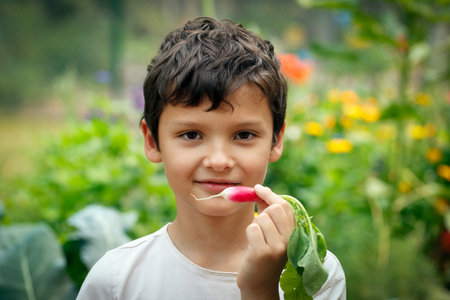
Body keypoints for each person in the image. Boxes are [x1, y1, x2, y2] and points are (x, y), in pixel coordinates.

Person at [77, 17, 346, 300]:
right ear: (152, 141)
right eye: (192, 135)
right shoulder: (115, 281)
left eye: (243, 135)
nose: (219, 161)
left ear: (276, 140)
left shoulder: (316, 276)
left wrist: (260, 289)